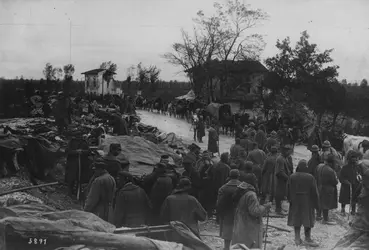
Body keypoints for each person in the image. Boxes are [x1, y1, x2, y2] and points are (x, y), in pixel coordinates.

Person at [287, 160, 319, 246]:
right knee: (307, 219)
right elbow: (314, 192)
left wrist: (290, 200)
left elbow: (288, 189)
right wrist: (316, 203)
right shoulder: (310, 177)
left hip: (295, 200)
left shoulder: (292, 176)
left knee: (296, 218)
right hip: (307, 201)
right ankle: (307, 238)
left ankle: (297, 238)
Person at [232, 182, 272, 249]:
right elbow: (255, 212)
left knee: (240, 246)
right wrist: (265, 207)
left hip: (240, 224)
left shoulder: (241, 191)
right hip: (249, 226)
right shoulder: (251, 194)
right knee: (251, 246)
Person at [217, 169, 241, 250]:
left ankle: (227, 248)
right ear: (238, 176)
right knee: (240, 232)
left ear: (229, 176)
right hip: (241, 214)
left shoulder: (223, 188)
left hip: (227, 214)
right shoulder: (243, 188)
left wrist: (219, 214)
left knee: (227, 232)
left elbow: (219, 204)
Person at [315, 154, 338, 224]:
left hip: (319, 186)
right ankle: (325, 219)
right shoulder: (330, 171)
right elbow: (335, 182)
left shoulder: (319, 166)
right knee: (326, 203)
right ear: (331, 162)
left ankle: (318, 216)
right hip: (327, 189)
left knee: (320, 201)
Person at [339, 150, 361, 215]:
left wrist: (359, 178)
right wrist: (346, 182)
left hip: (355, 185)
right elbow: (341, 178)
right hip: (346, 186)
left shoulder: (358, 167)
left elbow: (359, 175)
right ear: (349, 159)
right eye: (353, 157)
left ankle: (353, 210)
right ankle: (343, 209)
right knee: (344, 198)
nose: (355, 159)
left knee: (354, 198)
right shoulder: (345, 168)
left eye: (355, 157)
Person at [275, 144, 293, 215]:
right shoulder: (281, 159)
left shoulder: (284, 158)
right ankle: (278, 209)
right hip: (281, 180)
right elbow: (280, 172)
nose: (289, 153)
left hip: (283, 179)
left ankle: (279, 208)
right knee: (279, 194)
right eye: (288, 151)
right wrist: (288, 178)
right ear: (285, 151)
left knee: (282, 194)